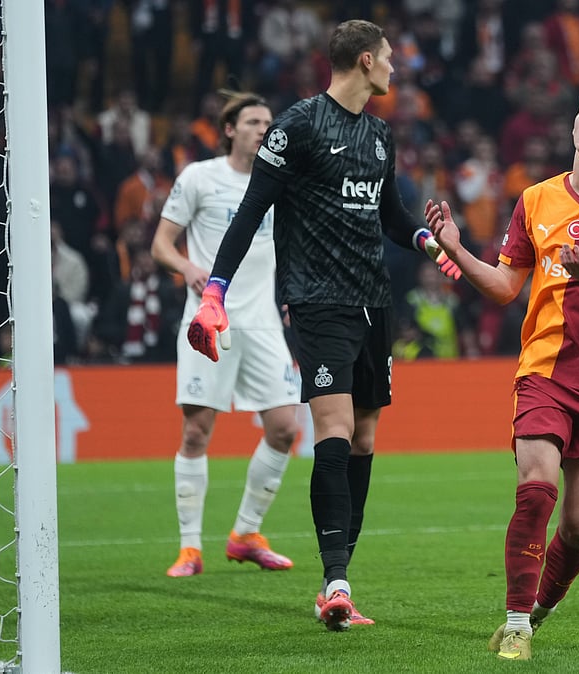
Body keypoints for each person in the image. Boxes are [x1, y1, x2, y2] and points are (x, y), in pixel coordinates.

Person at [184, 20, 459, 631]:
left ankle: (337, 582)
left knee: (364, 439)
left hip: (373, 303)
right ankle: (336, 582)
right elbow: (251, 211)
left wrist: (429, 240)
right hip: (317, 301)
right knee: (333, 428)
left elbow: (390, 215)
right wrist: (215, 292)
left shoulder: (380, 135)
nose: (395, 68)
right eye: (389, 58)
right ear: (365, 61)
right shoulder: (298, 126)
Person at [425, 80, 579, 661]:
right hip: (545, 369)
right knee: (536, 488)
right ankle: (515, 625)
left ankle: (538, 608)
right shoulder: (535, 199)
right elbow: (505, 286)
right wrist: (456, 249)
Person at [151, 91, 300, 580]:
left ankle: (246, 534)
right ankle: (189, 548)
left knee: (284, 427)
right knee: (197, 431)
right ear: (230, 129)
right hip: (208, 318)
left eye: (268, 122)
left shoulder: (281, 180)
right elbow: (160, 245)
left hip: (263, 322)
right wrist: (188, 268)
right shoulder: (200, 177)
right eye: (253, 121)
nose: (264, 129)